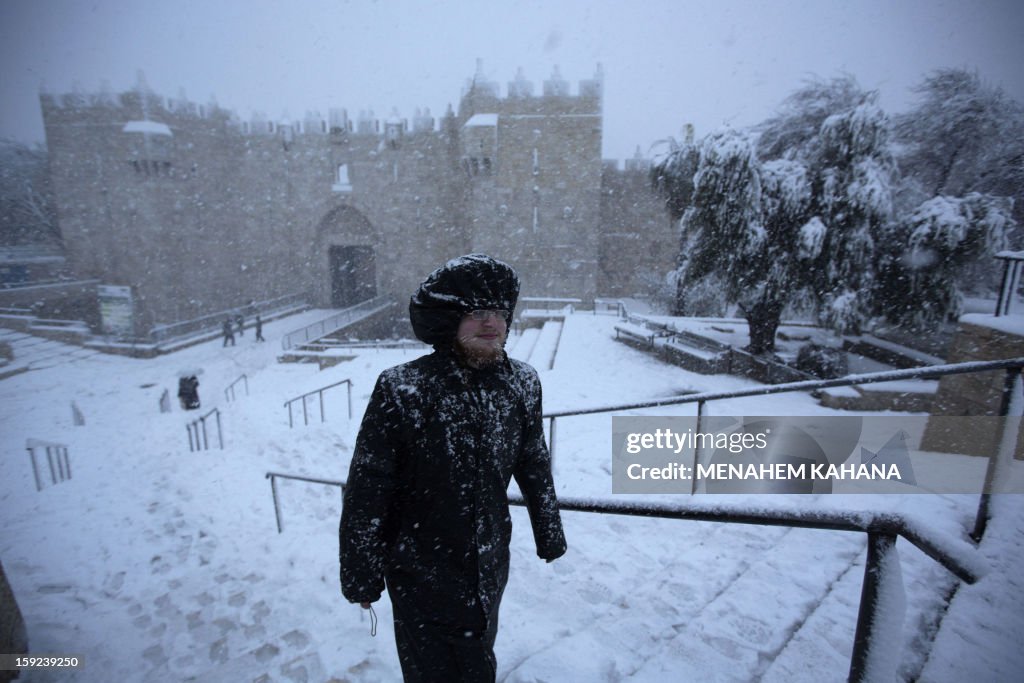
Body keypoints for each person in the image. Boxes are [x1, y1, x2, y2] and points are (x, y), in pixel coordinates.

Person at [339, 254, 566, 682]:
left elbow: (533, 460)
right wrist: (360, 573)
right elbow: (369, 485)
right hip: (419, 568)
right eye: (476, 313)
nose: (491, 323)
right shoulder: (404, 387)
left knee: (479, 651)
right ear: (449, 321)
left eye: (498, 312)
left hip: (489, 562)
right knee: (431, 669)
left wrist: (549, 531)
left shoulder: (522, 383)